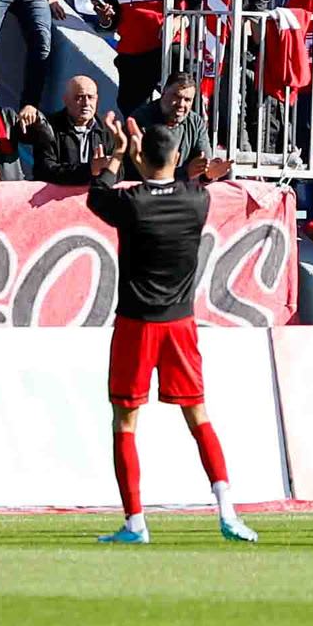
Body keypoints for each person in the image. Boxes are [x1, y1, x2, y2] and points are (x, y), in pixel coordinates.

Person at [88, 143, 259, 545]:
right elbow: (183, 185)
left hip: (136, 324)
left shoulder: (132, 202)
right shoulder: (197, 199)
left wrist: (115, 156)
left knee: (125, 423)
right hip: (180, 323)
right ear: (176, 155)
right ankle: (228, 513)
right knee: (199, 417)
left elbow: (97, 196)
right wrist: (196, 174)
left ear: (141, 159)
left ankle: (135, 524)